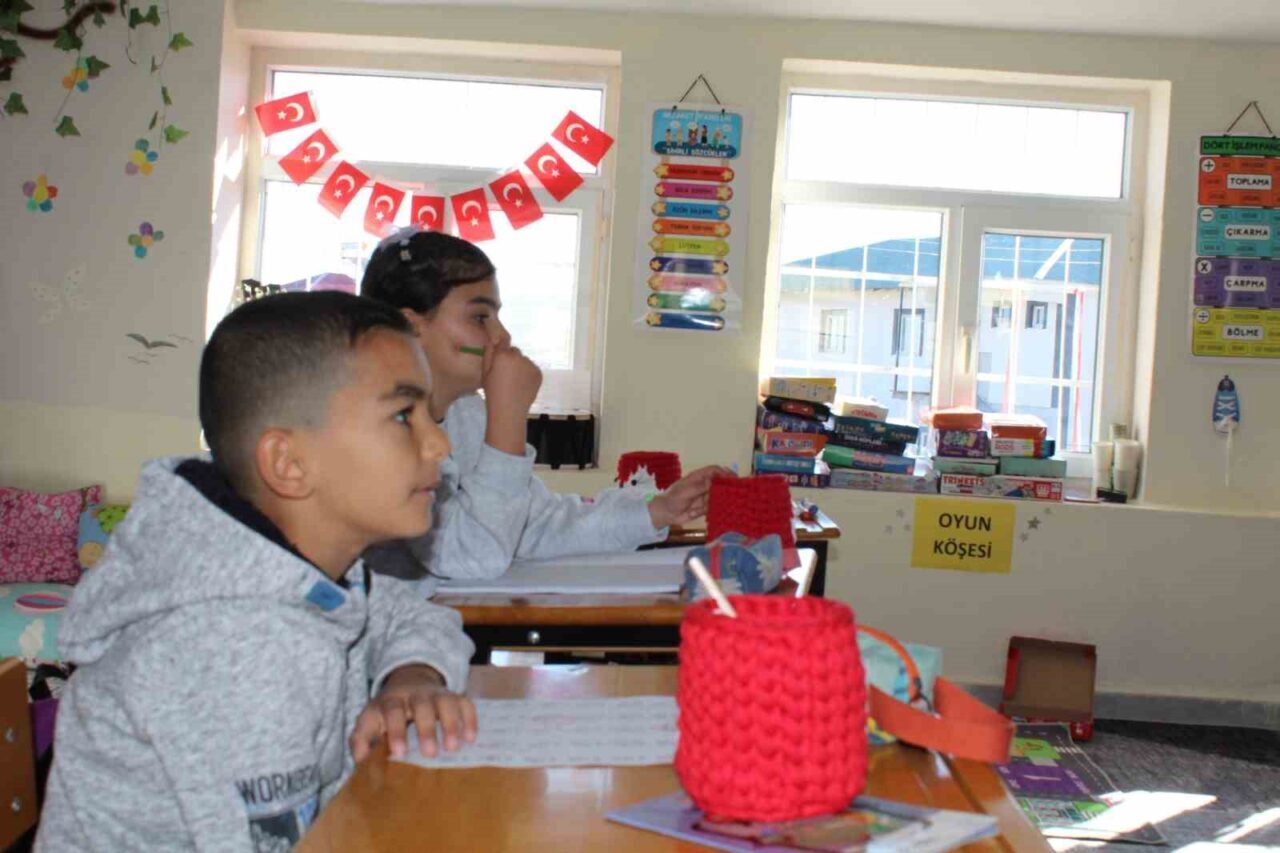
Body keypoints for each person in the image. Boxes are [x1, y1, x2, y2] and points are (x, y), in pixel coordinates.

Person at [37, 292, 476, 851]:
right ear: (288, 464)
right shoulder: (231, 643)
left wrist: (411, 677)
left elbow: (416, 617)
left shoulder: (304, 570)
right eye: (402, 416)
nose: (439, 444)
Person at [360, 229, 726, 589]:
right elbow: (475, 555)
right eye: (480, 318)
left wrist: (658, 509)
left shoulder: (465, 413)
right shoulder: (374, 433)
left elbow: (535, 524)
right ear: (411, 327)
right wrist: (508, 416)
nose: (502, 337)